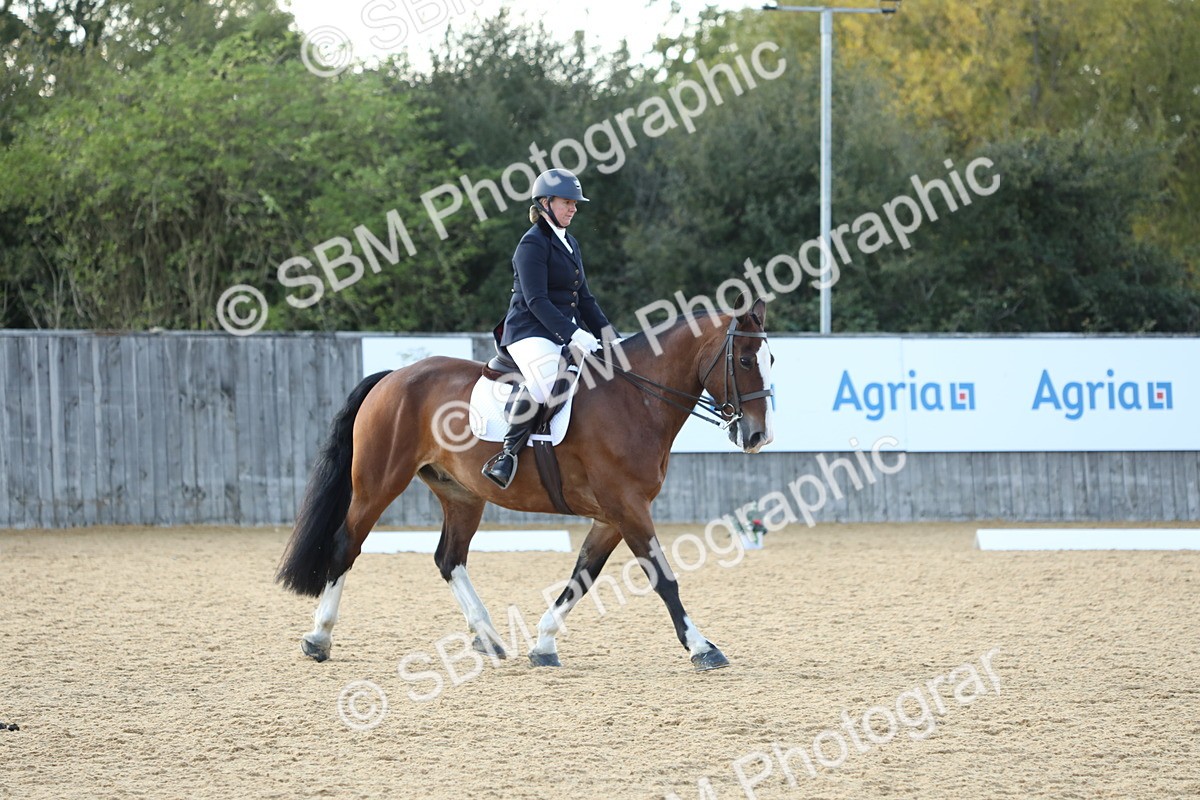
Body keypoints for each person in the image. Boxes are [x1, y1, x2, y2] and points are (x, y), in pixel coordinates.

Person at [481, 168, 619, 489]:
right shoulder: (532, 244)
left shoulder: (570, 243)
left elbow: (584, 298)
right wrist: (574, 334)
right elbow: (536, 301)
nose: (573, 209)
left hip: (558, 331)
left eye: (575, 204)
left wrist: (610, 336)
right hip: (527, 331)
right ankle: (507, 455)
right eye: (567, 203)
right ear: (545, 203)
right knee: (545, 382)